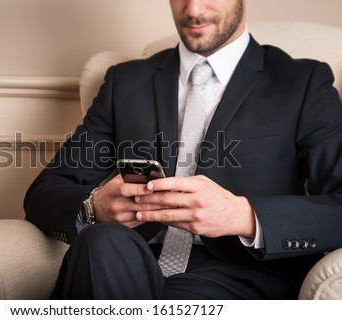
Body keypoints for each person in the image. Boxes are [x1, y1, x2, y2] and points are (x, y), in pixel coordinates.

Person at [24, 0, 342, 299]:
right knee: (100, 241)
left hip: (243, 274)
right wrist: (93, 208)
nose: (192, 10)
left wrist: (243, 215)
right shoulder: (125, 81)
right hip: (124, 263)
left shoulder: (302, 82)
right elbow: (45, 192)